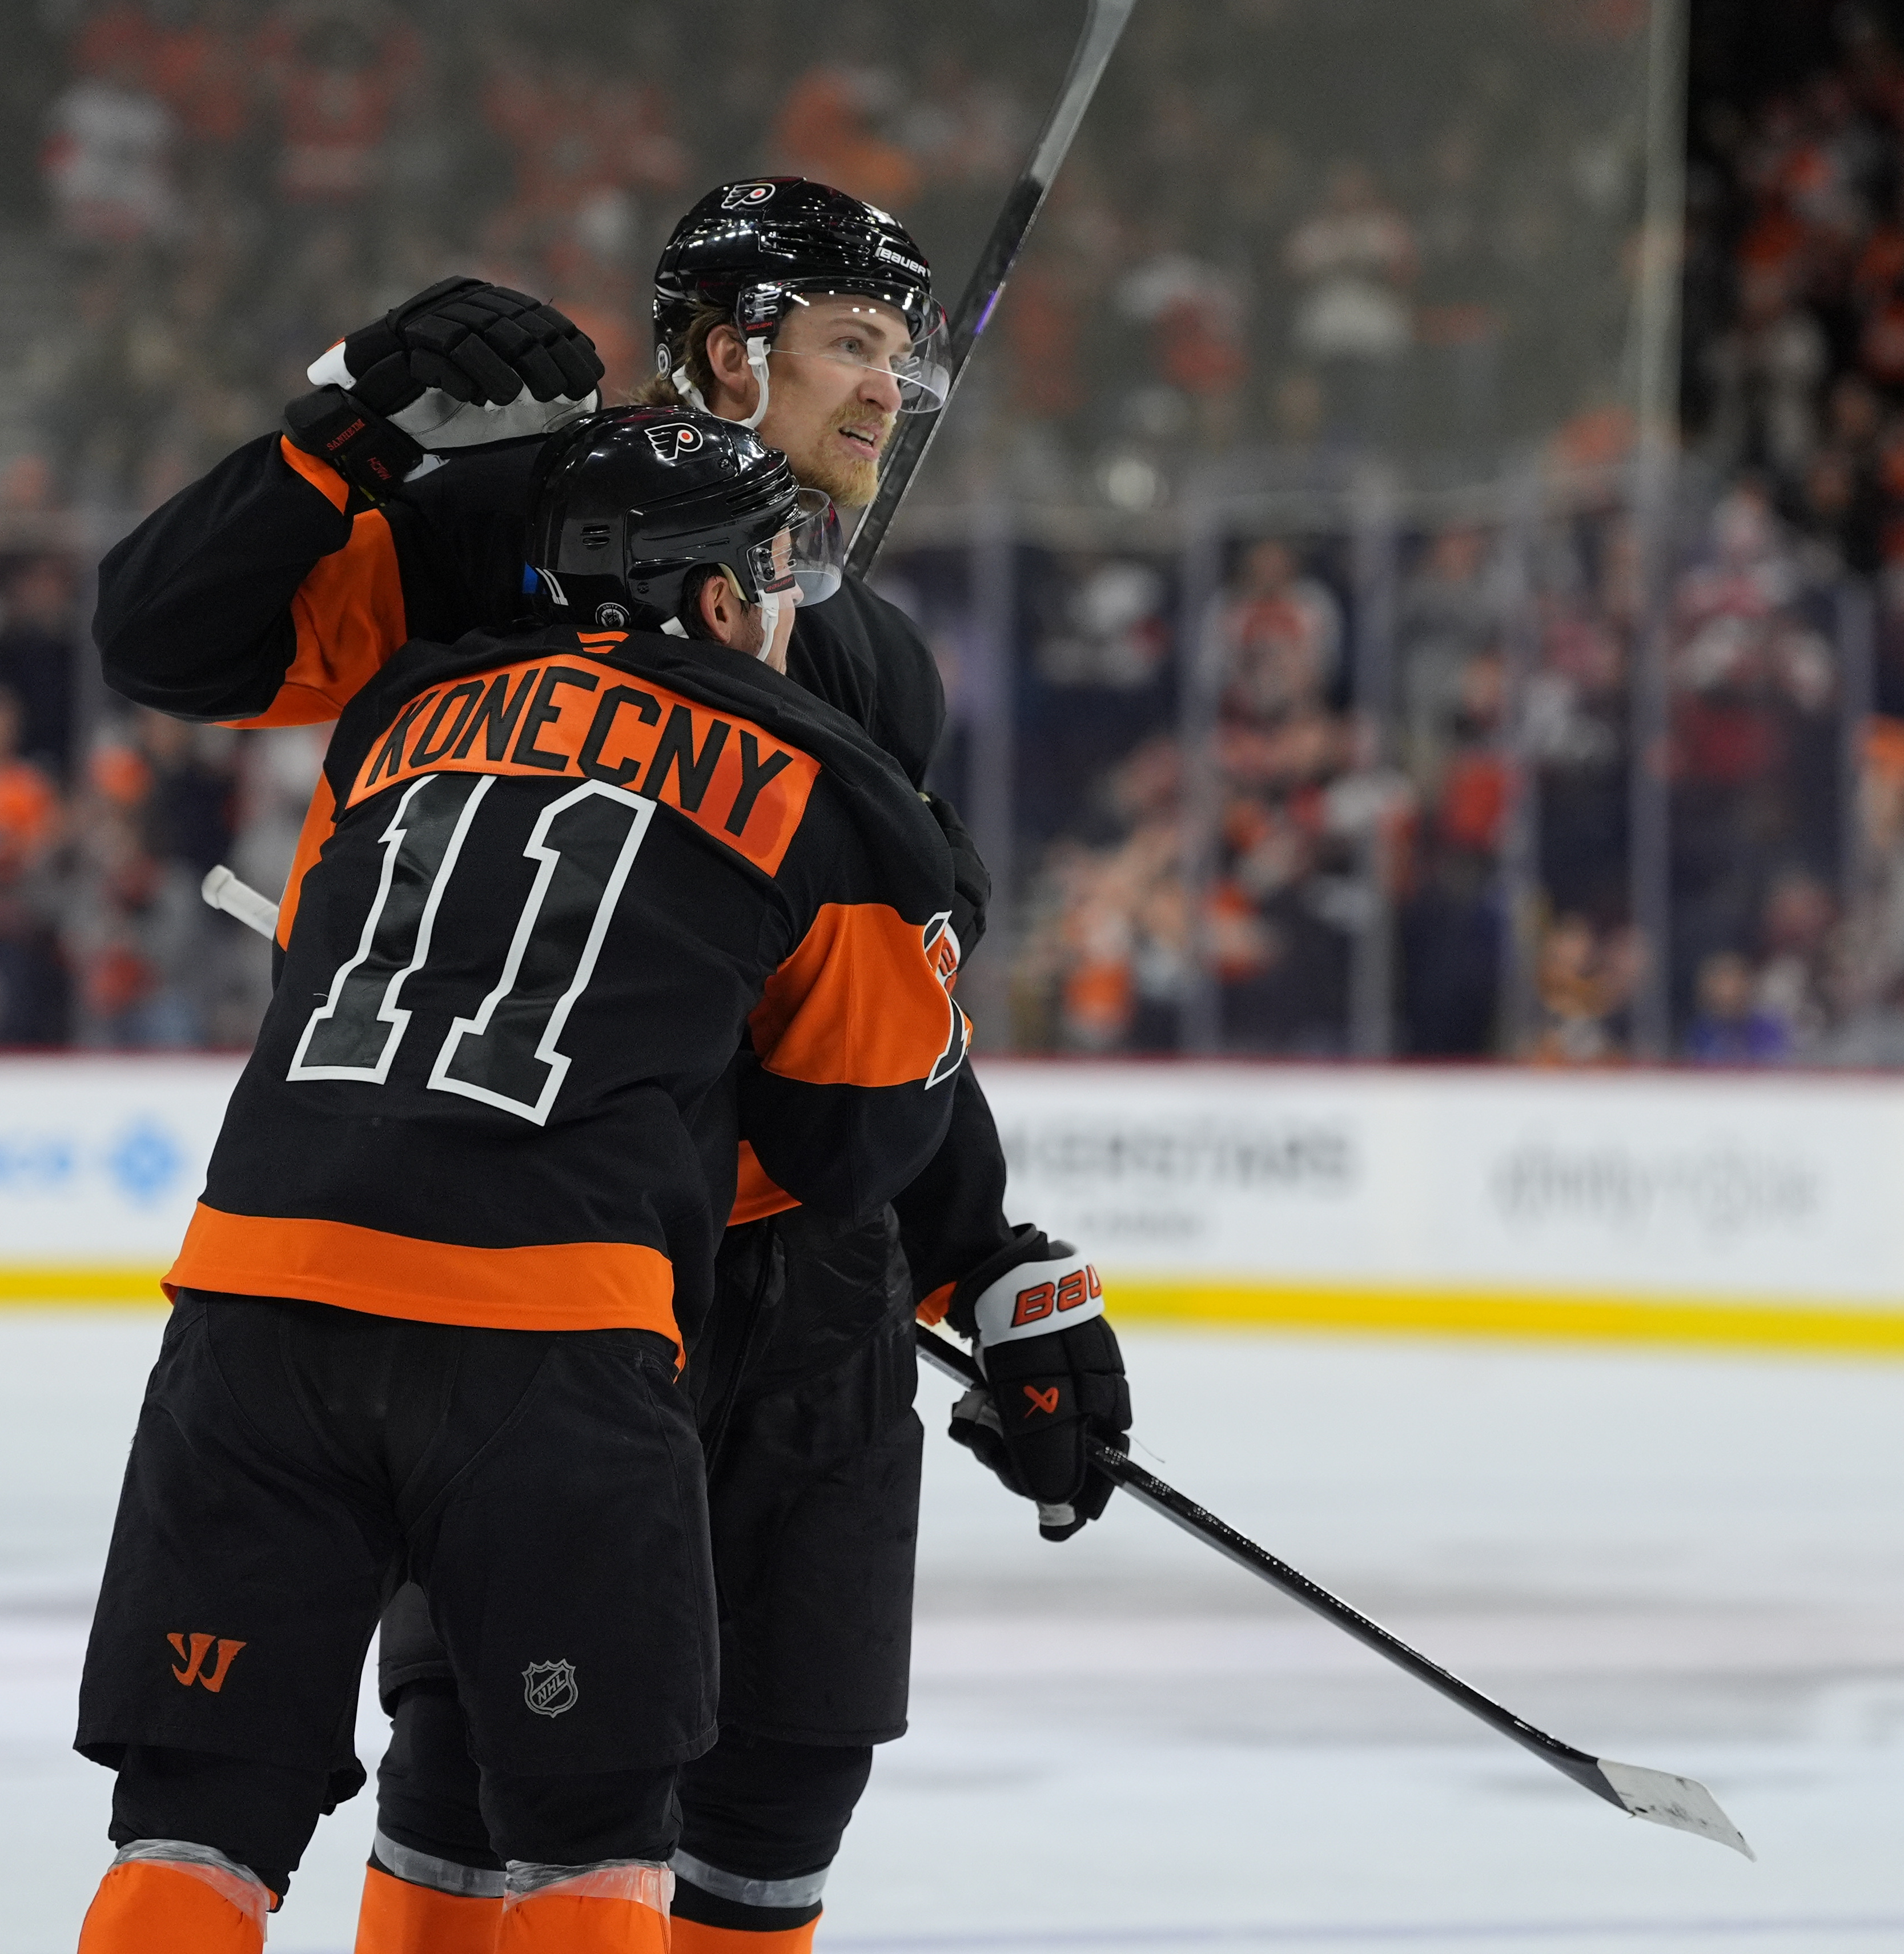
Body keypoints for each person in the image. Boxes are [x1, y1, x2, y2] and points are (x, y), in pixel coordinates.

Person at [94, 186, 1131, 1954]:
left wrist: (983, 1260)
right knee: (489, 1784)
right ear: (731, 351)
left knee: (773, 1787)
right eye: (852, 344)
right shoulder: (491, 524)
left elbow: (842, 999)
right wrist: (346, 420)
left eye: (902, 357)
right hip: (563, 1283)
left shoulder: (863, 656)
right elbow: (170, 639)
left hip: (749, 1298)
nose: (889, 391)